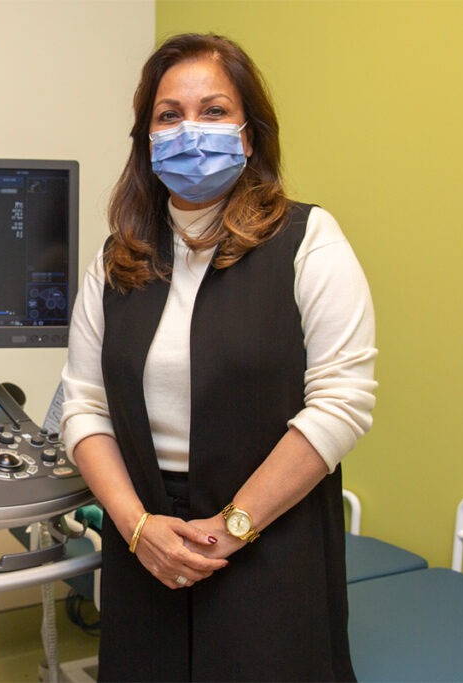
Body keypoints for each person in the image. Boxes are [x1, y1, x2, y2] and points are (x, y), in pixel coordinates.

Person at [60, 34, 376, 682]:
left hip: (271, 539)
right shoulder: (117, 260)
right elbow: (83, 403)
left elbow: (342, 402)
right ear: (147, 140)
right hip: (144, 542)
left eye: (213, 111)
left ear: (250, 133)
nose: (189, 130)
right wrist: (137, 525)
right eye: (169, 115)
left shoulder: (309, 242)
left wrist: (231, 527)